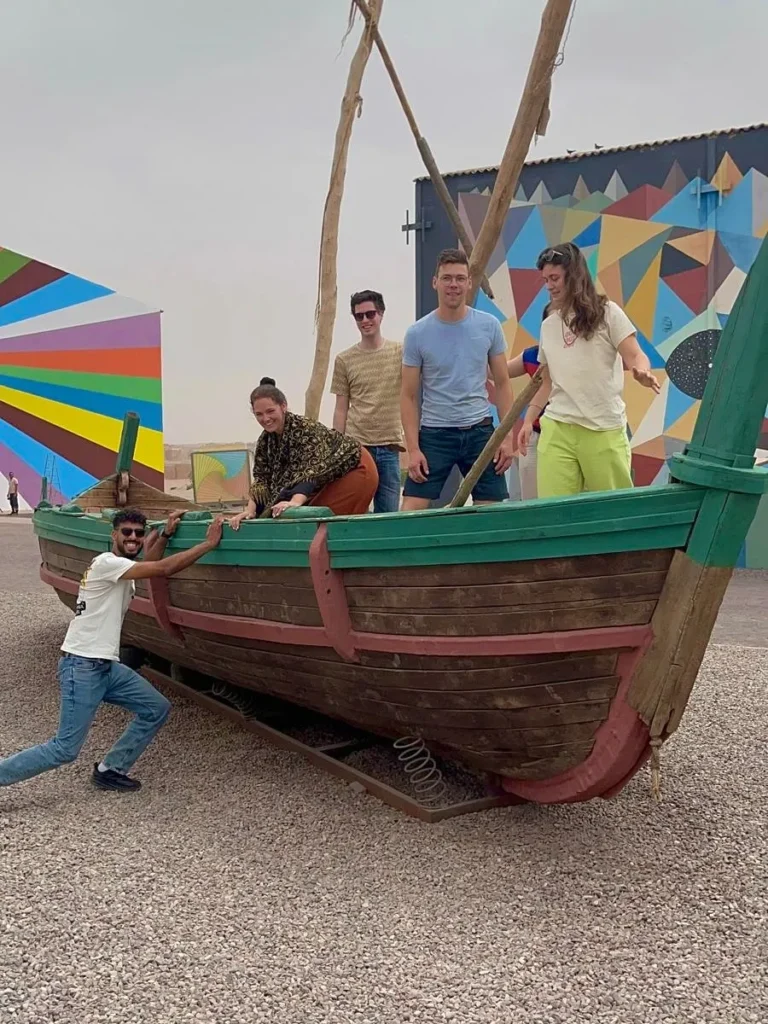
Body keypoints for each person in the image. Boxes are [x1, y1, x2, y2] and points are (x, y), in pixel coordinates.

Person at [0, 509, 224, 793]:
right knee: (64, 749)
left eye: (139, 533)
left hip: (105, 667)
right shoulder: (106, 563)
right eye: (126, 532)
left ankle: (111, 769)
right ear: (113, 535)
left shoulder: (122, 569)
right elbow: (162, 569)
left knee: (156, 708)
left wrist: (166, 534)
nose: (133, 538)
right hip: (81, 666)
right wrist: (208, 544)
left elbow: (150, 563)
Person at [518, 243, 660, 498]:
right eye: (545, 280)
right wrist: (529, 420)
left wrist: (641, 371)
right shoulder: (549, 325)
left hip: (603, 429)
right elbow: (547, 382)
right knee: (555, 513)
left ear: (574, 276)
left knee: (612, 512)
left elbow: (636, 354)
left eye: (554, 278)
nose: (549, 286)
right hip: (558, 428)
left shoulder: (609, 313)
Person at [400, 248, 516, 511]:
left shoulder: (489, 326)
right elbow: (407, 395)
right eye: (447, 278)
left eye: (460, 278)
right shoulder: (417, 334)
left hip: (480, 431)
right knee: (410, 510)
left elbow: (503, 382)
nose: (454, 284)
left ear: (469, 283)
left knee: (491, 513)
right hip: (434, 434)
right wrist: (413, 449)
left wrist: (506, 437)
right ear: (435, 282)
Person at [229, 378, 378, 527]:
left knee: (320, 522)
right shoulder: (265, 441)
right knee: (294, 516)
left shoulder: (304, 429)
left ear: (283, 406)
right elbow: (262, 479)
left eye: (270, 411)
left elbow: (311, 471)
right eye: (259, 414)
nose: (265, 419)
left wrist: (294, 502)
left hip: (354, 467)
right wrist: (250, 511)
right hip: (324, 478)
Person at [331, 290, 404, 514]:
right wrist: (337, 449)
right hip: (357, 448)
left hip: (390, 446)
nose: (365, 320)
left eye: (370, 314)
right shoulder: (344, 359)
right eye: (358, 316)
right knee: (353, 512)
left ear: (381, 314)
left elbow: (413, 395)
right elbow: (341, 408)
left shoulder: (401, 352)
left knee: (388, 515)